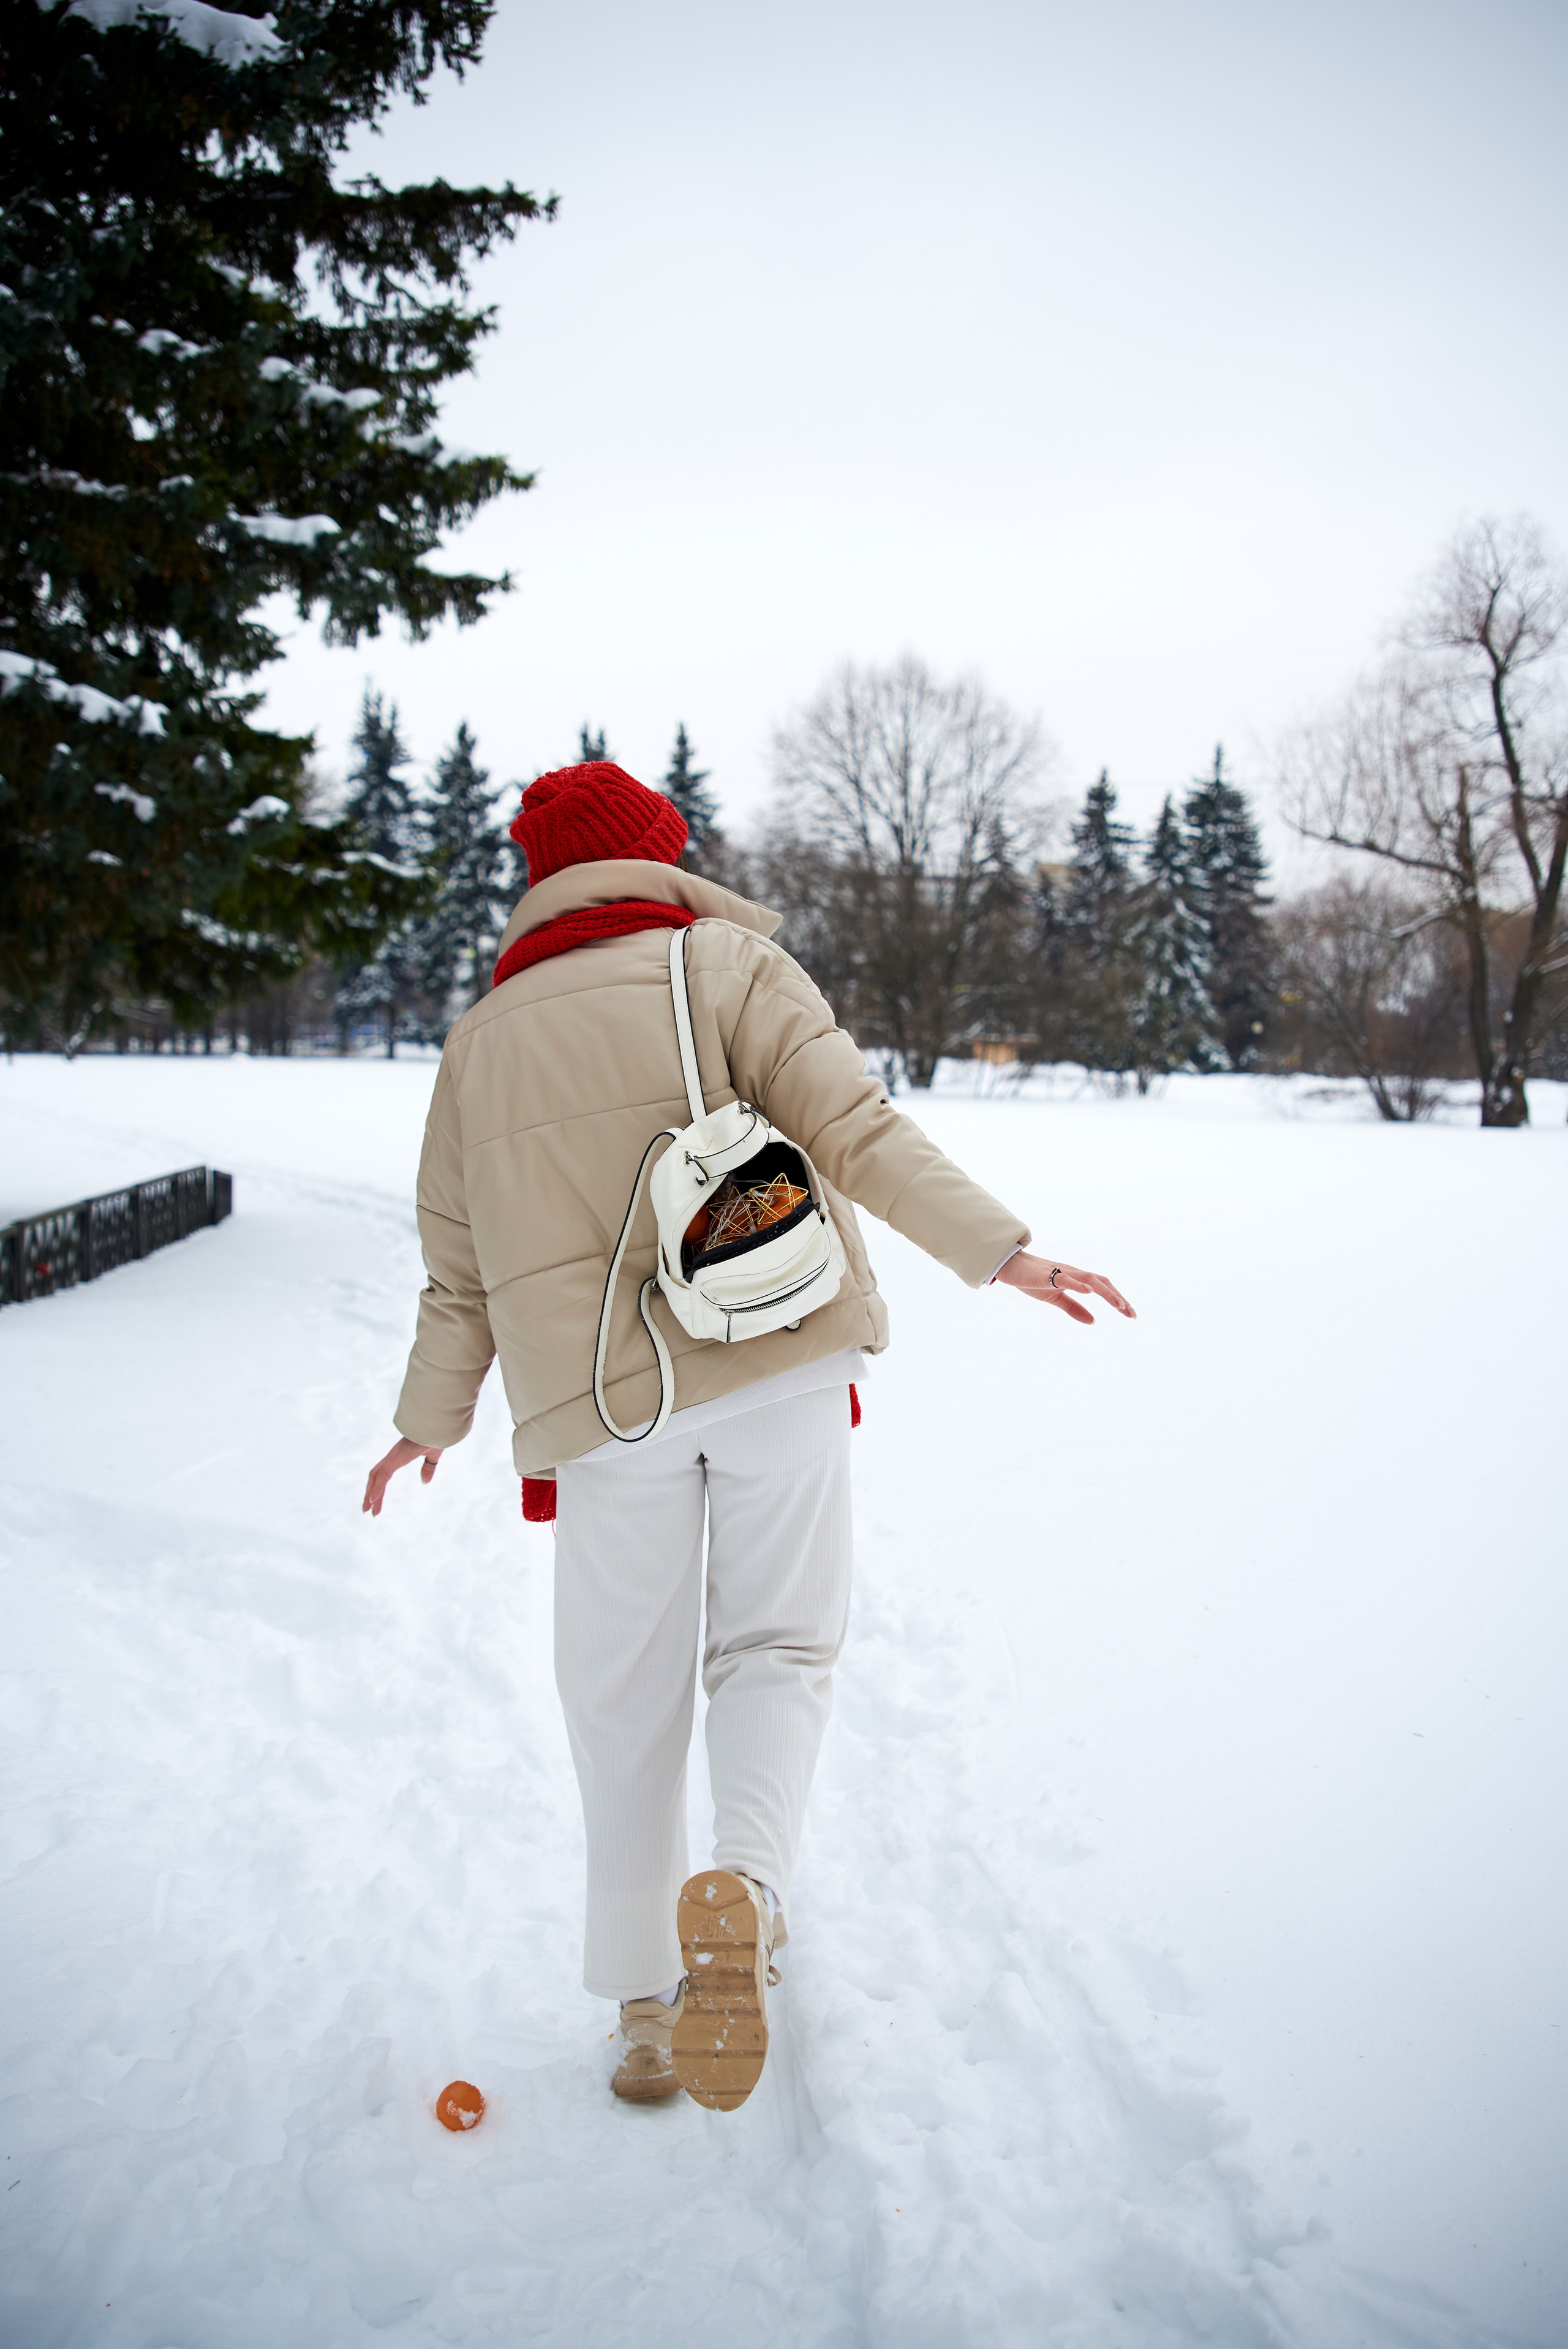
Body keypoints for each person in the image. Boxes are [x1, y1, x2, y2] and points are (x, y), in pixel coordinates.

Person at [363, 760, 1134, 2111]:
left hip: (604, 1416)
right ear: (656, 854)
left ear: (541, 879)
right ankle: (751, 1895)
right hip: (775, 1359)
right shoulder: (722, 962)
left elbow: (459, 1271)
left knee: (622, 1698)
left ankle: (644, 2010)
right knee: (777, 1644)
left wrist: (428, 1421)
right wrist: (1001, 1254)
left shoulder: (480, 1041)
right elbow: (853, 1130)